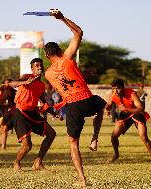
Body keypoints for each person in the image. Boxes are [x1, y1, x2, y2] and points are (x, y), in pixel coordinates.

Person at [43, 10, 106, 187]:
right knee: (101, 105)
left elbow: (62, 89)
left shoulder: (48, 73)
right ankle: (94, 138)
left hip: (72, 106)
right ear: (60, 50)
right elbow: (78, 32)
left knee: (73, 143)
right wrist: (61, 18)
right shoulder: (68, 58)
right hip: (87, 100)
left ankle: (82, 179)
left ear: (47, 56)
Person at [8, 58, 62, 171]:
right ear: (32, 68)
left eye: (40, 65)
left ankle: (38, 163)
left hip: (32, 112)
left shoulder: (41, 85)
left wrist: (54, 113)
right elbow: (11, 83)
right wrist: (24, 82)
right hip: (21, 112)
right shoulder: (26, 77)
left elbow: (44, 102)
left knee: (51, 134)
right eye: (36, 65)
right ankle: (16, 163)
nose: (39, 67)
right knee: (27, 145)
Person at [105, 79, 151, 164]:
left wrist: (126, 109)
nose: (115, 91)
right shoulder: (113, 95)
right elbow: (109, 105)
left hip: (136, 113)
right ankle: (116, 154)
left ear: (123, 87)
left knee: (143, 136)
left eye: (118, 88)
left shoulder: (132, 94)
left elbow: (140, 108)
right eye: (113, 88)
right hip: (125, 114)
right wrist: (107, 110)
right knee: (114, 136)